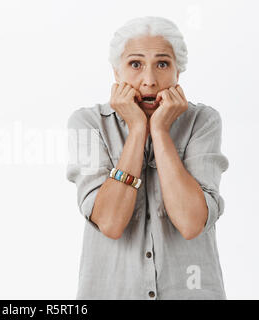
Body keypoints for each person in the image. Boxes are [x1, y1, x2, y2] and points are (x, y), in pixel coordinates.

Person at [66, 16, 229, 299]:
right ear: (117, 73)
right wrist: (138, 128)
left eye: (163, 64)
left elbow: (191, 223)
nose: (149, 80)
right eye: (135, 64)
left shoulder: (203, 121)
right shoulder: (88, 124)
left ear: (178, 72)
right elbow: (110, 222)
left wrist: (161, 132)